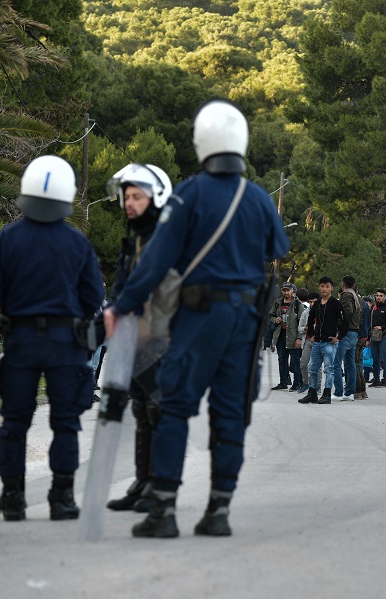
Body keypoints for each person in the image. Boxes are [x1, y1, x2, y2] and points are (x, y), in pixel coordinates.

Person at [104, 99, 290, 538]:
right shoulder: (259, 197)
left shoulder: (188, 194)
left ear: (202, 141)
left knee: (173, 406)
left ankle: (164, 512)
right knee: (230, 412)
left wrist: (121, 306)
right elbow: (276, 248)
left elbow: (155, 263)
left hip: (199, 315)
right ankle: (219, 511)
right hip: (244, 319)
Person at [0, 155, 105, 521]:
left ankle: (13, 498)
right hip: (65, 344)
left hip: (18, 343)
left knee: (15, 421)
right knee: (65, 421)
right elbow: (93, 296)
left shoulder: (5, 240)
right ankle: (61, 498)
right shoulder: (77, 243)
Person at [105, 162, 173, 513]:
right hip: (132, 340)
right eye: (126, 196)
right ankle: (141, 482)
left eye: (137, 196)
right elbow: (120, 287)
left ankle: (158, 487)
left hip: (162, 340)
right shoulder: (134, 242)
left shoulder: (168, 240)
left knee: (158, 410)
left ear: (157, 196)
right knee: (140, 409)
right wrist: (114, 310)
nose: (129, 203)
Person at [299, 276, 342, 405]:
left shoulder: (336, 303)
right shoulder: (317, 304)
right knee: (312, 367)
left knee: (329, 369)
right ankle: (312, 392)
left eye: (327, 286)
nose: (324, 289)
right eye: (322, 286)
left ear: (332, 288)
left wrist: (338, 337)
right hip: (317, 342)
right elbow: (310, 320)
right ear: (319, 287)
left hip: (329, 343)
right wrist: (311, 334)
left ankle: (327, 393)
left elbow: (345, 322)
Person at [269, 282, 304, 391]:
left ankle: (296, 383)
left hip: (293, 336)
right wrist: (275, 320)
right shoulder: (277, 302)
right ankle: (283, 382)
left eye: (288, 290)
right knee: (282, 360)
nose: (286, 292)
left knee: (295, 361)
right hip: (281, 335)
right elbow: (271, 315)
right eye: (284, 290)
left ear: (292, 291)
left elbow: (301, 322)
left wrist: (299, 338)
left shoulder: (298, 304)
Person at [333, 275, 362, 401]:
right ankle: (350, 392)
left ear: (343, 283)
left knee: (336, 363)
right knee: (350, 363)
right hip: (355, 331)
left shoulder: (346, 295)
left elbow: (347, 311)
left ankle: (339, 392)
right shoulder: (357, 296)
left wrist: (339, 322)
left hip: (346, 331)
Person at [369, 289, 386, 388]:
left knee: (384, 359)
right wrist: (368, 338)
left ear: (384, 297)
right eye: (377, 296)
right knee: (375, 359)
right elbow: (370, 324)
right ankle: (376, 380)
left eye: (381, 296)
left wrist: (382, 327)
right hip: (374, 337)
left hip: (384, 336)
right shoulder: (373, 309)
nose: (378, 297)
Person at [295, 289, 313, 393]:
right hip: (306, 340)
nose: (312, 304)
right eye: (310, 301)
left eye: (314, 302)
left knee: (316, 366)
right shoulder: (306, 312)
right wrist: (305, 329)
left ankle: (317, 386)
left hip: (318, 341)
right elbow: (300, 327)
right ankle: (305, 383)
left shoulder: (321, 311)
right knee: (303, 364)